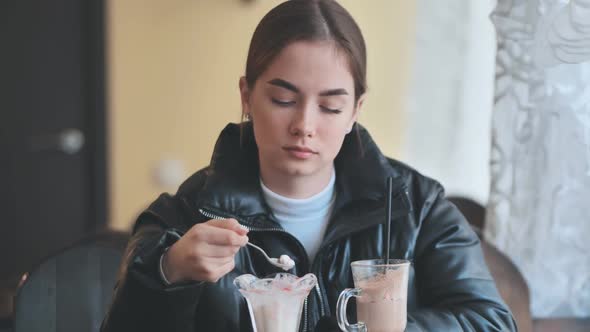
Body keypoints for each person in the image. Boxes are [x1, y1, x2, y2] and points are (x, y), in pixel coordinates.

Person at [101, 1, 517, 331]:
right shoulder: (186, 214)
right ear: (247, 96)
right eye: (283, 100)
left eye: (331, 106)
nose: (304, 126)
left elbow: (492, 322)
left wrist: (392, 328)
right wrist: (170, 272)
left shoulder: (416, 206)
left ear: (355, 110)